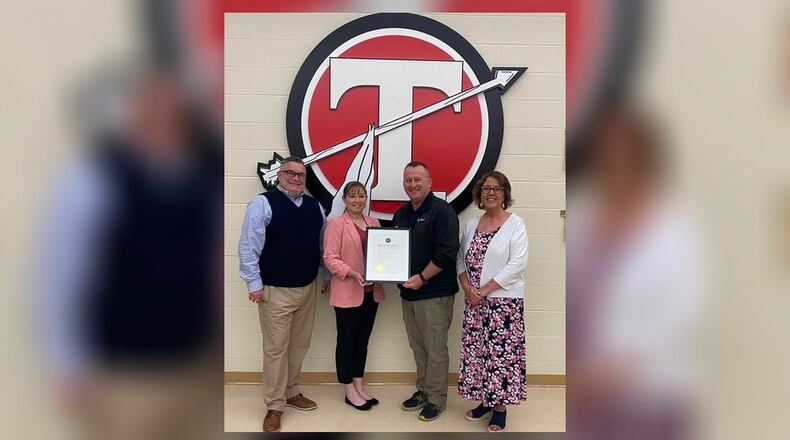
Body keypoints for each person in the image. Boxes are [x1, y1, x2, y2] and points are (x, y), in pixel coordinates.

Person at [238, 156, 329, 432]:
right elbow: (248, 246)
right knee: (276, 350)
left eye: (301, 175)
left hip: (307, 288)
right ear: (279, 174)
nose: (296, 178)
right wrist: (253, 282)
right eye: (290, 172)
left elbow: (322, 246)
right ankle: (274, 405)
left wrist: (326, 274)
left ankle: (291, 392)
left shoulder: (316, 207)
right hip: (274, 291)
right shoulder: (262, 204)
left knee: (299, 345)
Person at [456, 171, 528, 433]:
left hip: (503, 304)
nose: (491, 193)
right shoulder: (472, 224)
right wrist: (467, 288)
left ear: (505, 194)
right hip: (474, 302)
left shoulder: (515, 224)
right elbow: (460, 259)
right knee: (478, 353)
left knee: (500, 356)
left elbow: (517, 263)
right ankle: (485, 400)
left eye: (497, 189)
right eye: (486, 189)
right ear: (479, 193)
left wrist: (483, 290)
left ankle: (499, 408)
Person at [391, 161, 460, 422]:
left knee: (435, 349)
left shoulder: (442, 211)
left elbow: (446, 253)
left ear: (429, 183)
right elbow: (394, 250)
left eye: (418, 179)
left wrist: (421, 277)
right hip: (408, 293)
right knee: (418, 346)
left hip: (434, 293)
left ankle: (437, 398)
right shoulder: (400, 213)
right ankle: (423, 389)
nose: (412, 184)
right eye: (408, 180)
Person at [322, 181, 386, 411]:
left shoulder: (374, 222)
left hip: (372, 293)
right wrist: (350, 272)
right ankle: (348, 388)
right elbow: (330, 257)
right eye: (352, 196)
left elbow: (383, 253)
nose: (357, 200)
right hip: (348, 292)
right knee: (347, 342)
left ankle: (359, 383)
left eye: (361, 196)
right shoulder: (336, 224)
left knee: (362, 341)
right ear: (344, 199)